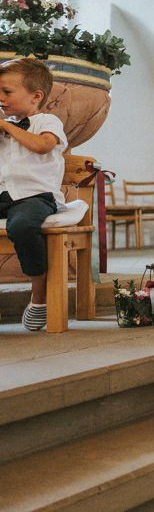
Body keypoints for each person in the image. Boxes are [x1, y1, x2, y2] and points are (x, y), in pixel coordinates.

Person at [0, 57, 68, 331]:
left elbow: (42, 146)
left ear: (36, 96)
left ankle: (39, 297)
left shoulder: (47, 121)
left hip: (35, 196)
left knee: (23, 226)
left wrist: (7, 126)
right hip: (4, 194)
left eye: (7, 91)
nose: (1, 98)